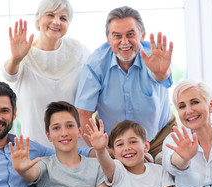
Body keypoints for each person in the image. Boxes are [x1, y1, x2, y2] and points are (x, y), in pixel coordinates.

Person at [74, 6, 176, 158]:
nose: (124, 42)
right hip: (115, 143)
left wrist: (161, 73)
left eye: (130, 34)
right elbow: (83, 113)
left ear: (142, 36)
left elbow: (162, 77)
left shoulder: (154, 56)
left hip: (158, 137)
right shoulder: (95, 64)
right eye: (117, 36)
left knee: (167, 174)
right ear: (108, 39)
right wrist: (102, 152)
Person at [9, 101, 111, 187]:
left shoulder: (96, 166)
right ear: (48, 135)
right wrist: (22, 170)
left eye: (70, 126)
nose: (64, 133)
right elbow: (32, 174)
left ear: (79, 131)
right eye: (56, 128)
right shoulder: (44, 163)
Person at [2, 0, 90, 148]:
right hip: (38, 149)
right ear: (38, 19)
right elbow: (9, 74)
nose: (56, 22)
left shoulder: (79, 51)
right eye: (50, 15)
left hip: (77, 150)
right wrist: (16, 59)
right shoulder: (24, 52)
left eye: (63, 18)